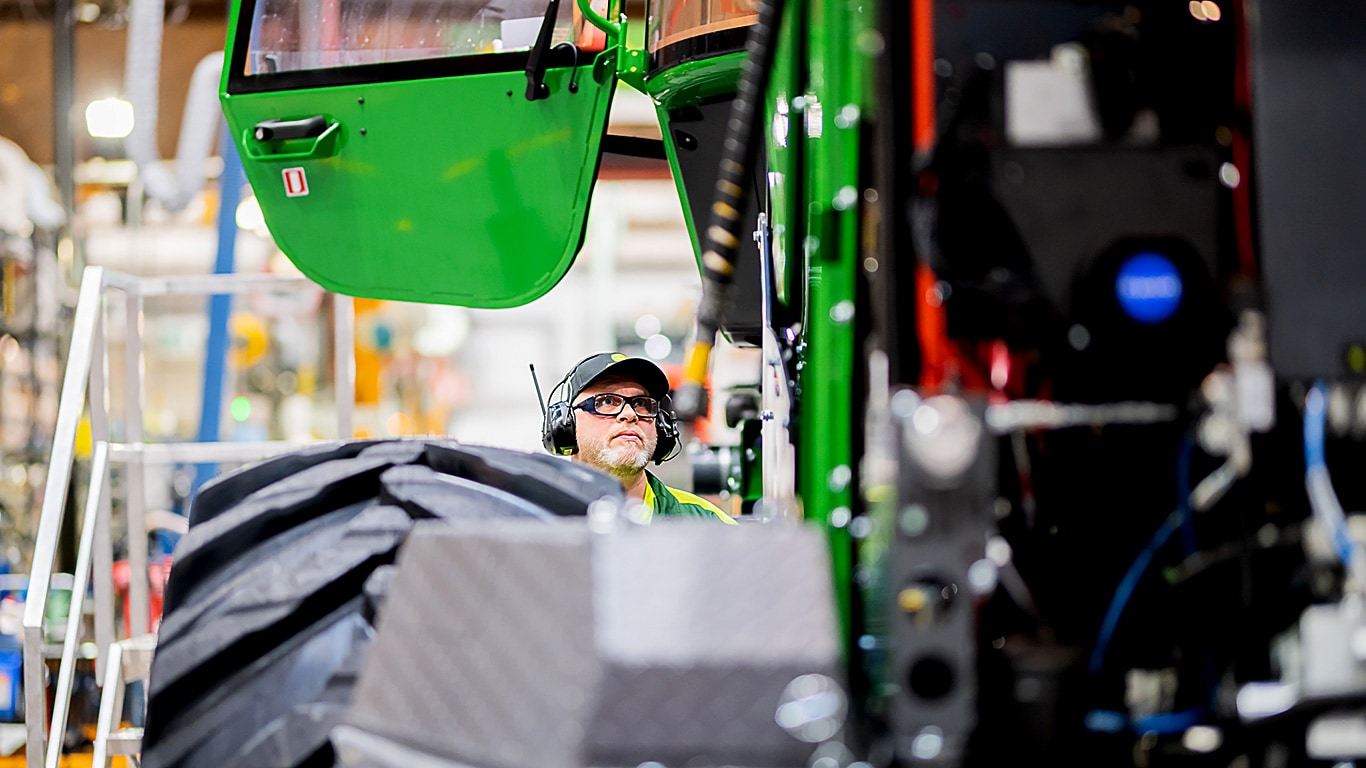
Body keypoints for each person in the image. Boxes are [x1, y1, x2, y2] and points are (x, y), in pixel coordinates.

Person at [543, 353, 736, 524]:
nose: (630, 414)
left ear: (660, 425)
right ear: (565, 424)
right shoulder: (533, 522)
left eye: (642, 403)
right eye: (607, 401)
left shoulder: (706, 523)